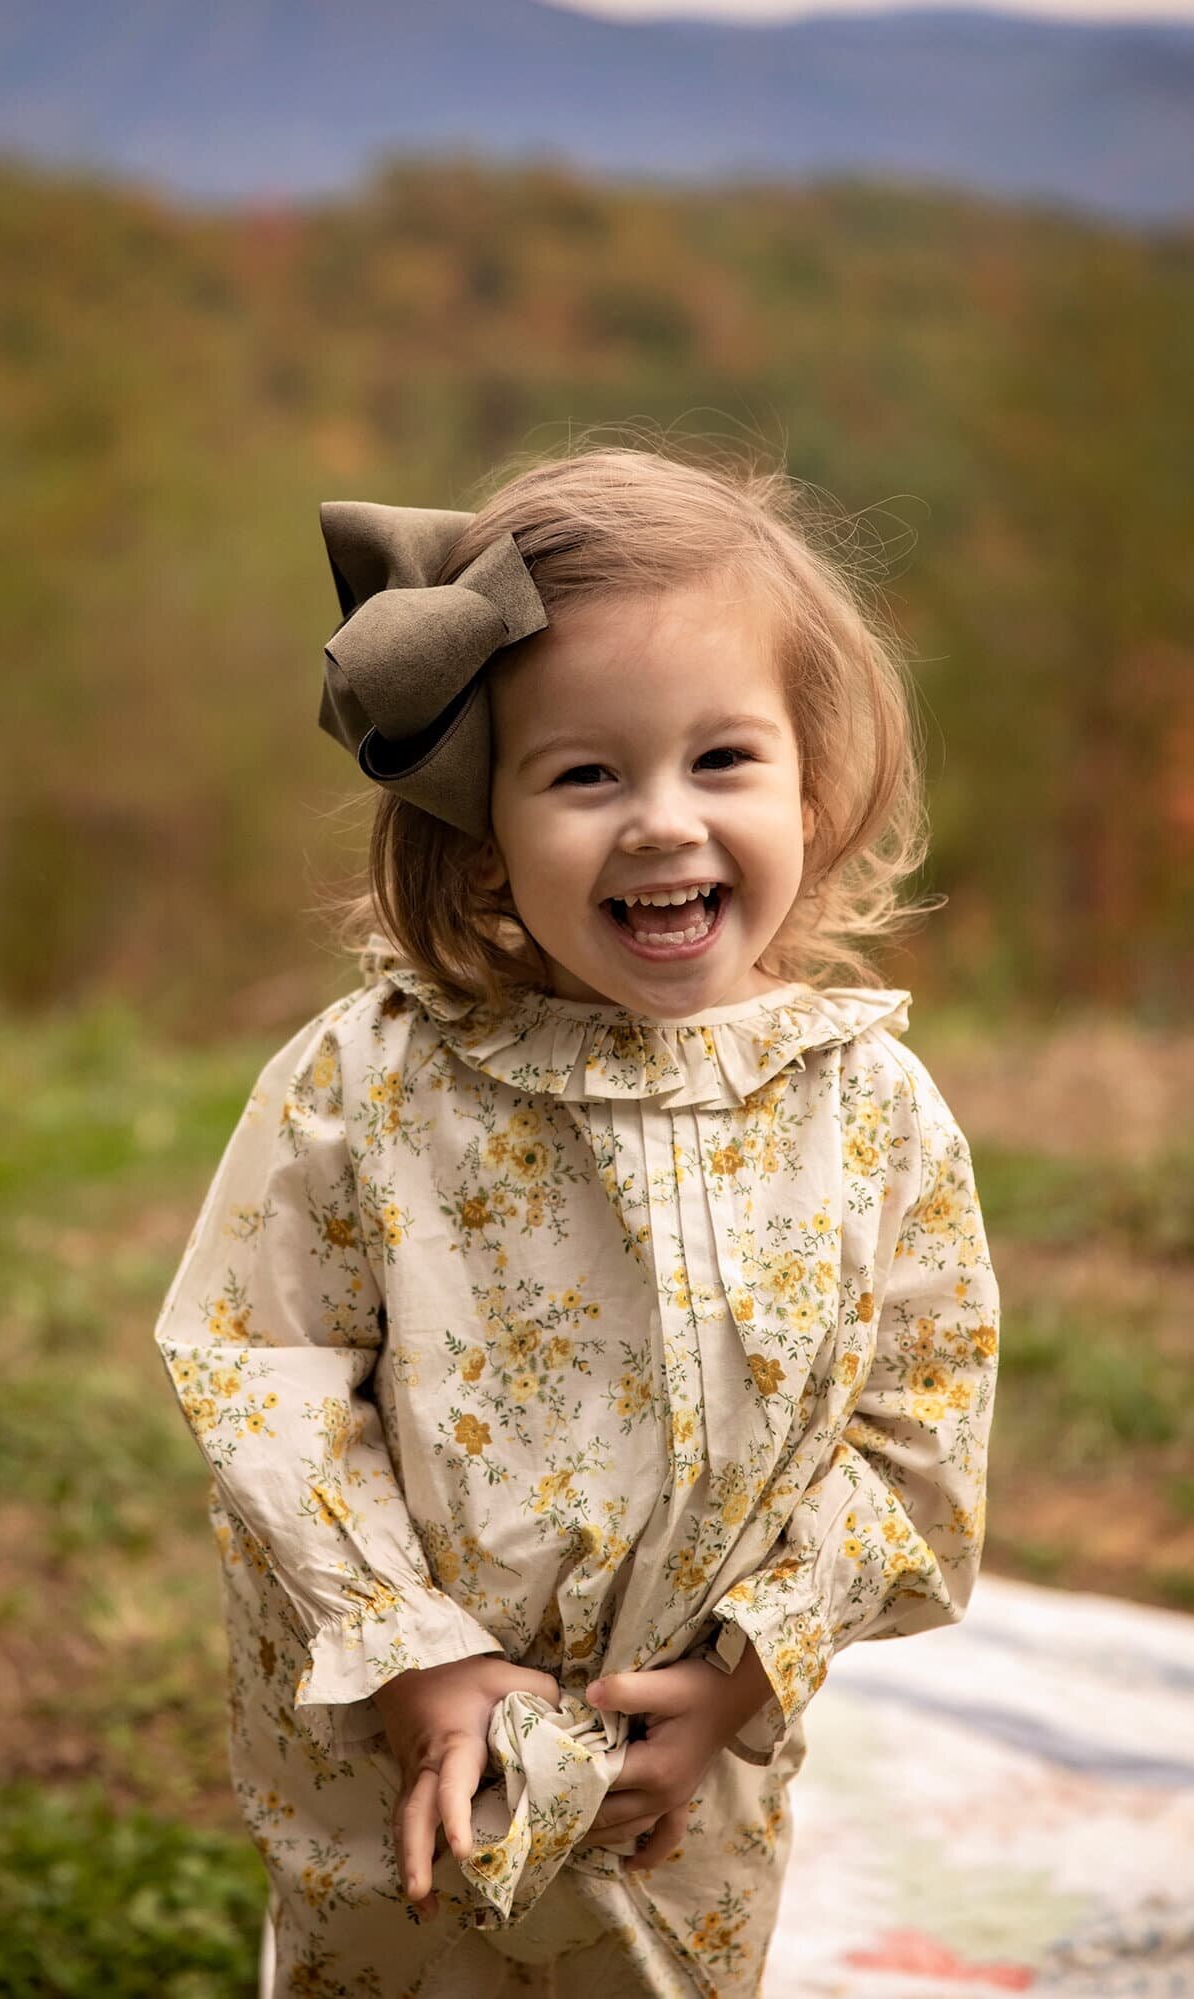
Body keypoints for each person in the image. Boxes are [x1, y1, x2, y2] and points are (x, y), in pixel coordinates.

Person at [154, 441, 1001, 1997]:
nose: (662, 823)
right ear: (482, 825)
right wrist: (407, 1644)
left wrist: (734, 1679)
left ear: (814, 779)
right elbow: (256, 1369)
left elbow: (913, 1430)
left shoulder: (864, 1109)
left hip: (685, 1759)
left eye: (723, 760)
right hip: (401, 1741)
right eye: (587, 774)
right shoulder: (375, 1082)